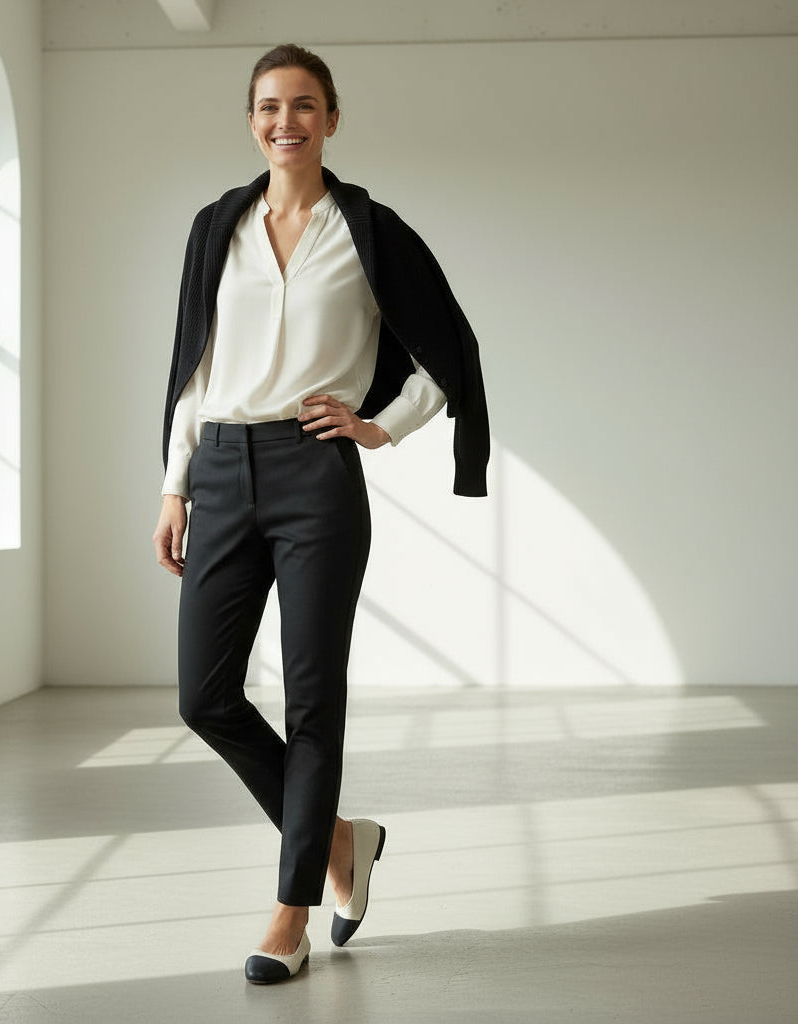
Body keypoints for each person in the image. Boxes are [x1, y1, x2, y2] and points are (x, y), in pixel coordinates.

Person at [152, 43, 489, 985]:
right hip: (219, 465)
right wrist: (173, 484)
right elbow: (193, 365)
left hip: (315, 477)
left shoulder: (371, 230)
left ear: (332, 119)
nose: (285, 121)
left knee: (311, 702)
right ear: (251, 119)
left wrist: (380, 426)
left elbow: (450, 353)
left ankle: (290, 912)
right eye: (268, 106)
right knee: (203, 696)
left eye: (304, 105)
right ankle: (344, 842)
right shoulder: (216, 227)